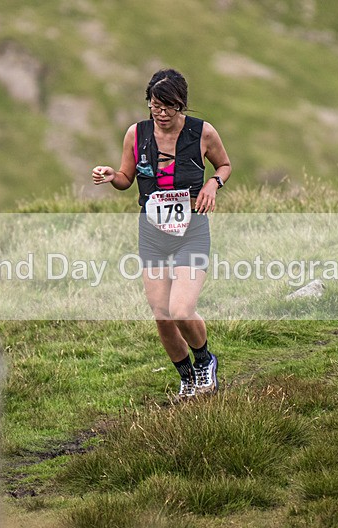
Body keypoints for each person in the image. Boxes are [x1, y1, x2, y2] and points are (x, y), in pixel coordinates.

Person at [91, 68, 232, 399]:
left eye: (169, 107)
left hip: (192, 230)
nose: (162, 114)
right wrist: (112, 175)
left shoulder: (203, 133)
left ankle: (205, 361)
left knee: (181, 309)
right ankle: (187, 377)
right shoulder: (135, 134)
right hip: (152, 233)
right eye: (156, 106)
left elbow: (224, 165)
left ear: (182, 105)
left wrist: (213, 183)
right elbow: (127, 178)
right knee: (162, 315)